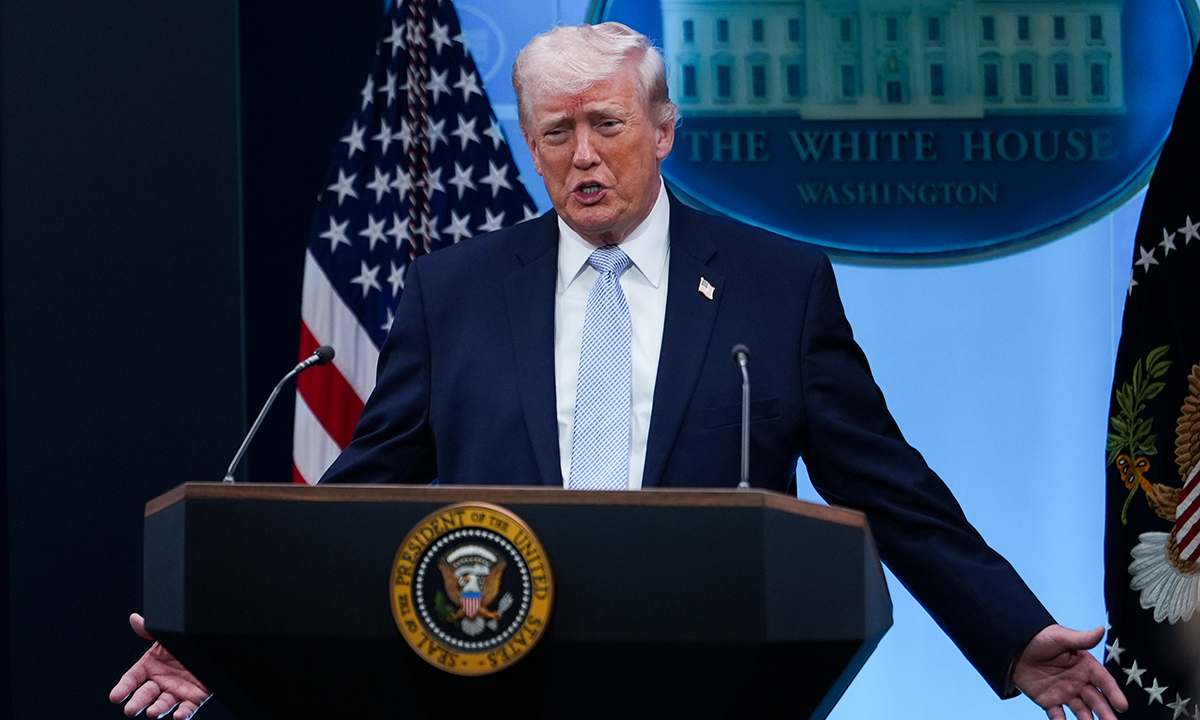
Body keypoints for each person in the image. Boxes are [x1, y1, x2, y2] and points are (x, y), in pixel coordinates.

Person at [112, 22, 1127, 720]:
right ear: (535, 147)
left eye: (607, 125)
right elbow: (359, 496)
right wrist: (227, 632)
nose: (584, 156)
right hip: (492, 680)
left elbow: (885, 484)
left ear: (663, 131)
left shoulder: (778, 287)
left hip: (712, 684)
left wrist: (1012, 633)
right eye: (558, 134)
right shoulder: (452, 291)